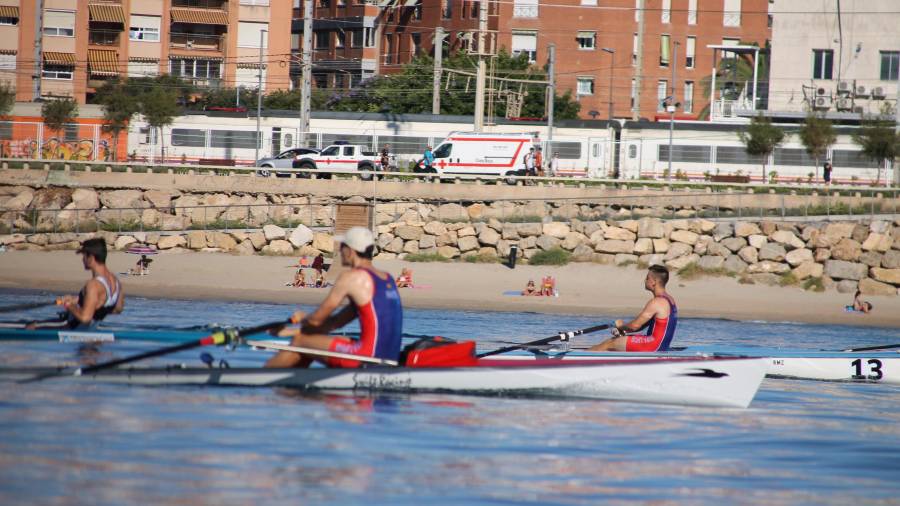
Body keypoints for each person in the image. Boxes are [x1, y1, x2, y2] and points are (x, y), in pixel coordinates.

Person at [265, 227, 403, 368]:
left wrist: (301, 318)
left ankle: (264, 377)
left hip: (367, 357)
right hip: (390, 357)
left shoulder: (352, 277)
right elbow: (336, 322)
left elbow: (315, 320)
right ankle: (296, 384)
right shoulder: (387, 278)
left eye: (341, 247)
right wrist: (291, 331)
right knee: (322, 339)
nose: (339, 251)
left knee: (300, 341)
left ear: (350, 250)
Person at [28, 238, 124, 329]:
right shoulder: (115, 281)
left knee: (30, 326)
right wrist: (79, 301)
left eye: (84, 256)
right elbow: (117, 309)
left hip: (68, 326)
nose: (82, 260)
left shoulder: (93, 285)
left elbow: (85, 319)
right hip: (88, 329)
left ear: (91, 257)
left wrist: (69, 305)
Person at [589, 265, 677, 352]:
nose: (645, 280)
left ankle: (581, 359)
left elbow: (634, 326)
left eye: (647, 278)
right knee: (612, 343)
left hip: (652, 346)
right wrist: (622, 329)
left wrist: (620, 325)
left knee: (609, 344)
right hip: (662, 346)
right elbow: (641, 326)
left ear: (654, 281)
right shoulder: (670, 300)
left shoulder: (657, 302)